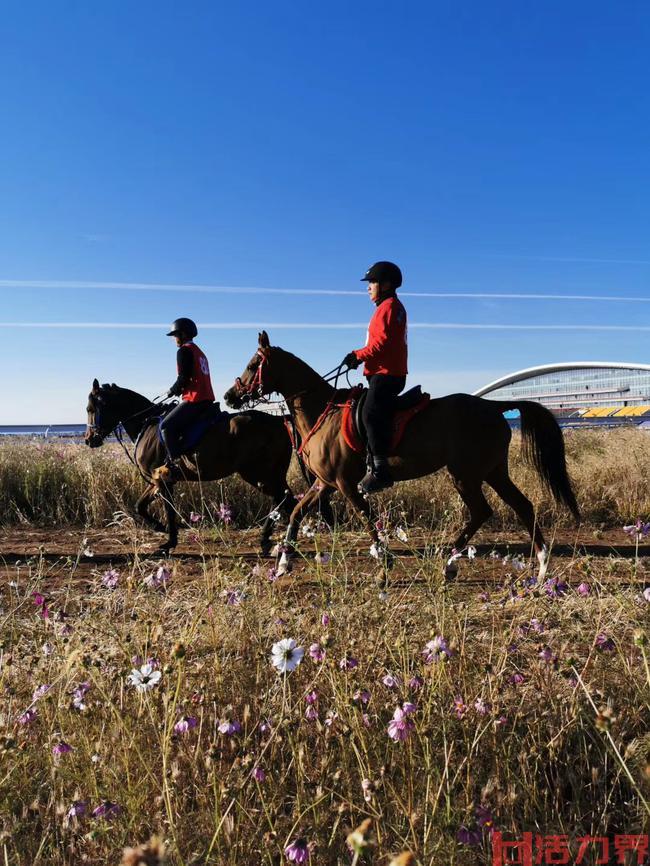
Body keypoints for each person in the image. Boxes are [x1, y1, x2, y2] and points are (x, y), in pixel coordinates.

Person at [343, 261, 408, 493]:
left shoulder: (389, 307)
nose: (368, 287)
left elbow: (380, 344)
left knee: (370, 412)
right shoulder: (388, 307)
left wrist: (356, 355)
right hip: (385, 373)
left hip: (386, 374)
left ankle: (380, 470)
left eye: (372, 282)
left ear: (387, 284)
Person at [158, 317, 215, 473]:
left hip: (195, 399)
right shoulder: (200, 352)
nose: (174, 339)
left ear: (182, 334)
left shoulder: (184, 351)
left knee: (166, 426)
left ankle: (174, 466)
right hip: (207, 399)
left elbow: (184, 378)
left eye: (175, 335)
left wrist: (172, 390)